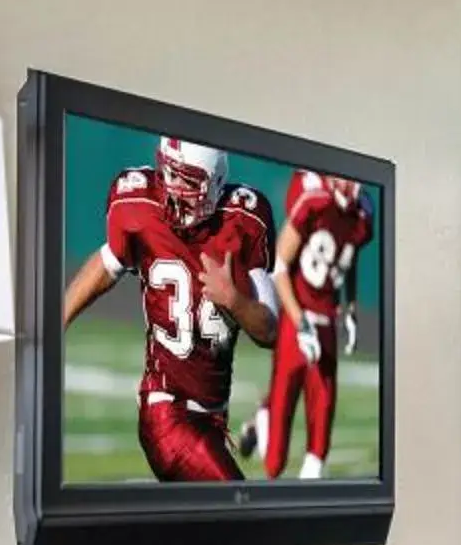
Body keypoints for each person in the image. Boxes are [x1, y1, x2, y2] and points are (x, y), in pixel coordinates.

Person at [61, 137, 277, 480]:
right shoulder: (140, 205)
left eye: (187, 180)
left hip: (211, 419)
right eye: (169, 174)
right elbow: (107, 263)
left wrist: (233, 299)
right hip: (167, 414)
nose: (174, 188)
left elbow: (270, 331)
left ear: (214, 183)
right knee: (240, 514)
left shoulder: (243, 221)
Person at [245, 170, 372, 478]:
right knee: (276, 447)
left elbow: (348, 258)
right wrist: (300, 322)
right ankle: (265, 422)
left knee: (322, 426)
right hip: (297, 313)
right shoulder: (312, 199)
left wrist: (350, 308)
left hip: (327, 317)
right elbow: (280, 266)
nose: (350, 184)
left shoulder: (363, 215)